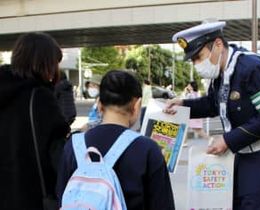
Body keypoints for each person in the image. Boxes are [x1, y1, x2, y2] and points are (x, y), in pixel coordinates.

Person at [165, 21, 260, 210]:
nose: (197, 65)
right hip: (244, 155)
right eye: (193, 60)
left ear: (218, 45)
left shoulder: (252, 68)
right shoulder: (221, 74)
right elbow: (214, 104)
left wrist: (228, 140)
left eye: (199, 57)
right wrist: (183, 104)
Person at [57, 70, 175, 210]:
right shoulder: (148, 149)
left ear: (100, 105)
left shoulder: (73, 146)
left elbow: (61, 198)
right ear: (137, 106)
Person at [0, 33, 70, 209]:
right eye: (55, 63)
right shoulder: (40, 98)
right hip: (31, 199)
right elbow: (57, 157)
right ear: (44, 63)